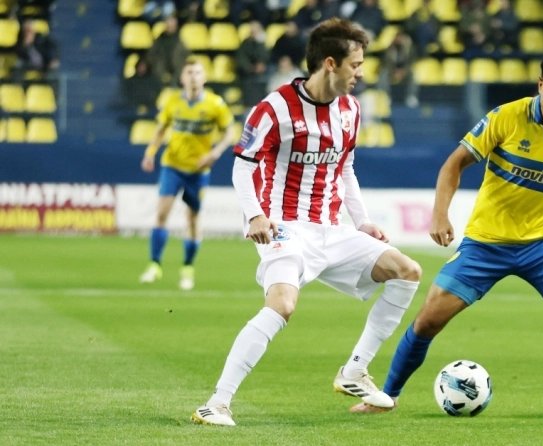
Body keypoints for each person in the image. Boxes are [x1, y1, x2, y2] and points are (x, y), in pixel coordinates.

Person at [350, 50, 543, 416]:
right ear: (540, 86)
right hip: (486, 245)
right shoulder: (506, 117)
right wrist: (439, 215)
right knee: (428, 320)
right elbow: (454, 164)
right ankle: (387, 396)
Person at [191, 18, 422, 427]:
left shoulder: (351, 110)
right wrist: (255, 214)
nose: (361, 73)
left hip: (332, 229)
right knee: (282, 304)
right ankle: (217, 403)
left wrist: (363, 222)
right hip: (285, 226)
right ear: (330, 64)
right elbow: (243, 167)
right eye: (355, 64)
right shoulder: (274, 108)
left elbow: (345, 168)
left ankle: (354, 372)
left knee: (407, 271)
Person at [138, 57, 235, 290]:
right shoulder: (172, 101)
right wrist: (150, 153)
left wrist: (216, 152)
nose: (193, 77)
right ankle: (154, 264)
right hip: (172, 165)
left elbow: (229, 131)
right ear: (182, 78)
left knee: (192, 219)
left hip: (198, 170)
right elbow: (160, 129)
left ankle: (187, 268)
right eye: (189, 72)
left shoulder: (215, 104)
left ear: (204, 77)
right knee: (162, 213)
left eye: (197, 72)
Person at [145, 14, 189, 86]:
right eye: (168, 21)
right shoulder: (159, 40)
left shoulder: (181, 38)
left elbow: (186, 54)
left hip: (177, 71)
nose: (170, 24)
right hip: (161, 71)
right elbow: (151, 54)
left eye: (172, 21)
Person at [235, 20, 270, 107]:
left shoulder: (262, 43)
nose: (254, 32)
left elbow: (265, 57)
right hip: (248, 74)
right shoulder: (245, 43)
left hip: (263, 74)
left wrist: (259, 43)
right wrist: (251, 68)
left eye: (256, 30)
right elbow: (241, 59)